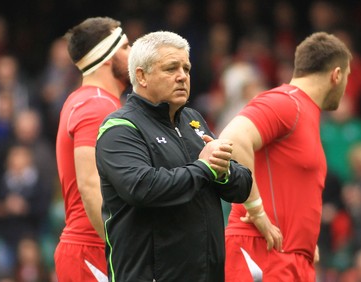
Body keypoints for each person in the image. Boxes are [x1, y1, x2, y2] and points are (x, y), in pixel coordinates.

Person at [95, 31, 252, 281]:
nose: (182, 76)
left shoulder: (194, 120)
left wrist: (224, 172)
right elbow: (142, 188)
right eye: (171, 68)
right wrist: (206, 167)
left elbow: (242, 186)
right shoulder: (119, 128)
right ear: (141, 76)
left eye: (186, 68)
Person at [219, 31, 352, 281]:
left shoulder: (306, 112)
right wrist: (256, 211)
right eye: (347, 76)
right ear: (336, 75)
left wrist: (305, 240)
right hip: (262, 253)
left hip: (291, 258)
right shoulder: (286, 102)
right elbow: (233, 139)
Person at [54, 17, 131, 281]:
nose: (132, 55)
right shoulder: (97, 105)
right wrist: (122, 247)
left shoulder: (87, 99)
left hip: (93, 247)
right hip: (94, 249)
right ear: (107, 56)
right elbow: (90, 185)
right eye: (126, 47)